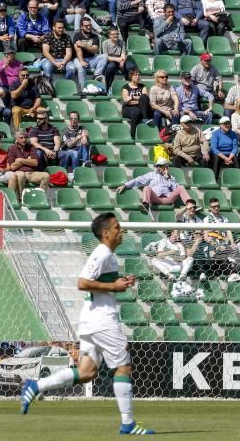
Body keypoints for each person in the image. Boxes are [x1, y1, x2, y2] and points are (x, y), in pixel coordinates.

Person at [21, 212, 153, 435]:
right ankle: (128, 424)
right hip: (102, 320)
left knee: (86, 372)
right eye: (117, 227)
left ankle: (36, 386)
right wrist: (114, 287)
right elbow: (82, 283)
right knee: (123, 367)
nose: (121, 231)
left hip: (91, 320)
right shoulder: (102, 253)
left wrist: (119, 282)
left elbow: (98, 283)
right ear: (106, 233)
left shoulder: (108, 256)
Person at [117, 158, 192, 209]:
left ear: (166, 167)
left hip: (168, 198)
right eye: (157, 166)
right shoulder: (152, 174)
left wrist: (168, 178)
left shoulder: (171, 177)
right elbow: (139, 180)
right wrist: (125, 185)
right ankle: (145, 206)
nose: (158, 168)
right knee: (146, 188)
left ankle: (190, 205)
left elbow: (176, 190)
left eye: (160, 166)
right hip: (156, 198)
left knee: (181, 187)